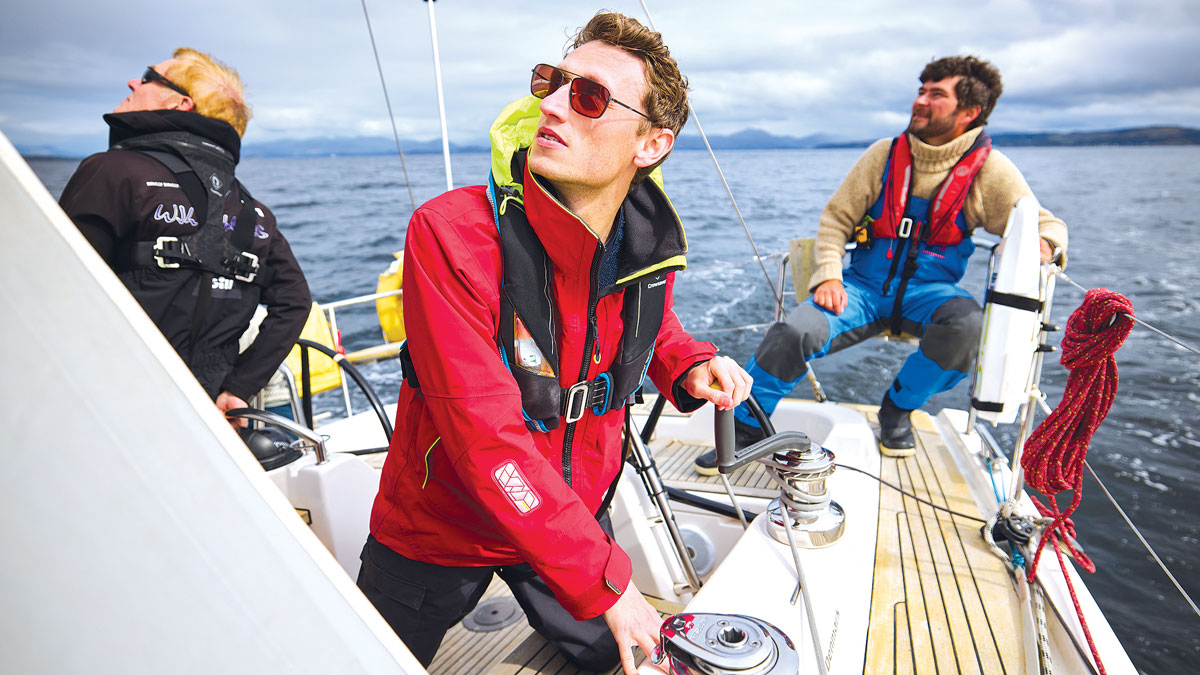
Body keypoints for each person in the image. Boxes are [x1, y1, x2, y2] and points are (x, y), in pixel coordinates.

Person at [357, 12, 751, 675]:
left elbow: (647, 330)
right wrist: (607, 579)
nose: (553, 104)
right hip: (441, 525)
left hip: (568, 518)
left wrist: (689, 364)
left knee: (636, 660)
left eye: (589, 96)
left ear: (651, 144)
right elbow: (486, 437)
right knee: (358, 657)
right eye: (552, 81)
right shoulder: (450, 234)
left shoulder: (643, 247)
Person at [695, 55, 1067, 471]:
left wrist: (1044, 244)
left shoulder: (991, 171)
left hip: (931, 293)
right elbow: (836, 220)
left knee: (970, 330)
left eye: (936, 94)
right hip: (862, 289)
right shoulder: (883, 155)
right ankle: (747, 428)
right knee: (794, 330)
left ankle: (897, 409)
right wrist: (829, 276)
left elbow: (1047, 225)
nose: (920, 100)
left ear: (969, 112)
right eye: (921, 90)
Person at [59, 48, 310, 427]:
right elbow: (294, 300)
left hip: (104, 411)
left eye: (147, 76)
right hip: (208, 423)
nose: (132, 82)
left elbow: (55, 288)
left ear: (180, 103)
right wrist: (239, 387)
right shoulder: (252, 210)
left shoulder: (112, 172)